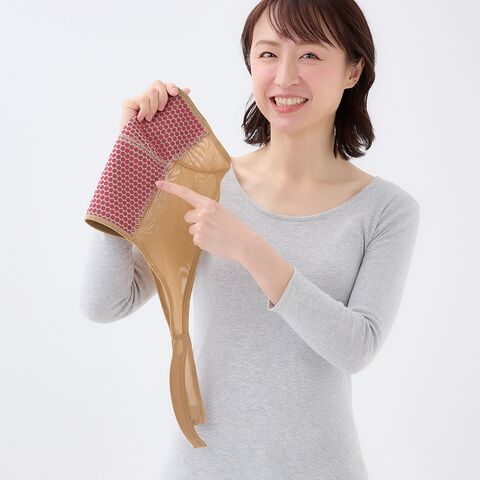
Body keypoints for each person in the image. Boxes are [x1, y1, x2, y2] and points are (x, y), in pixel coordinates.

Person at [80, 1, 420, 478]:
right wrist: (128, 162)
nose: (284, 76)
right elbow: (104, 303)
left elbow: (356, 348)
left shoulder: (386, 209)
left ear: (353, 69)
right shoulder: (204, 180)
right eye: (267, 54)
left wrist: (249, 249)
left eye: (310, 55)